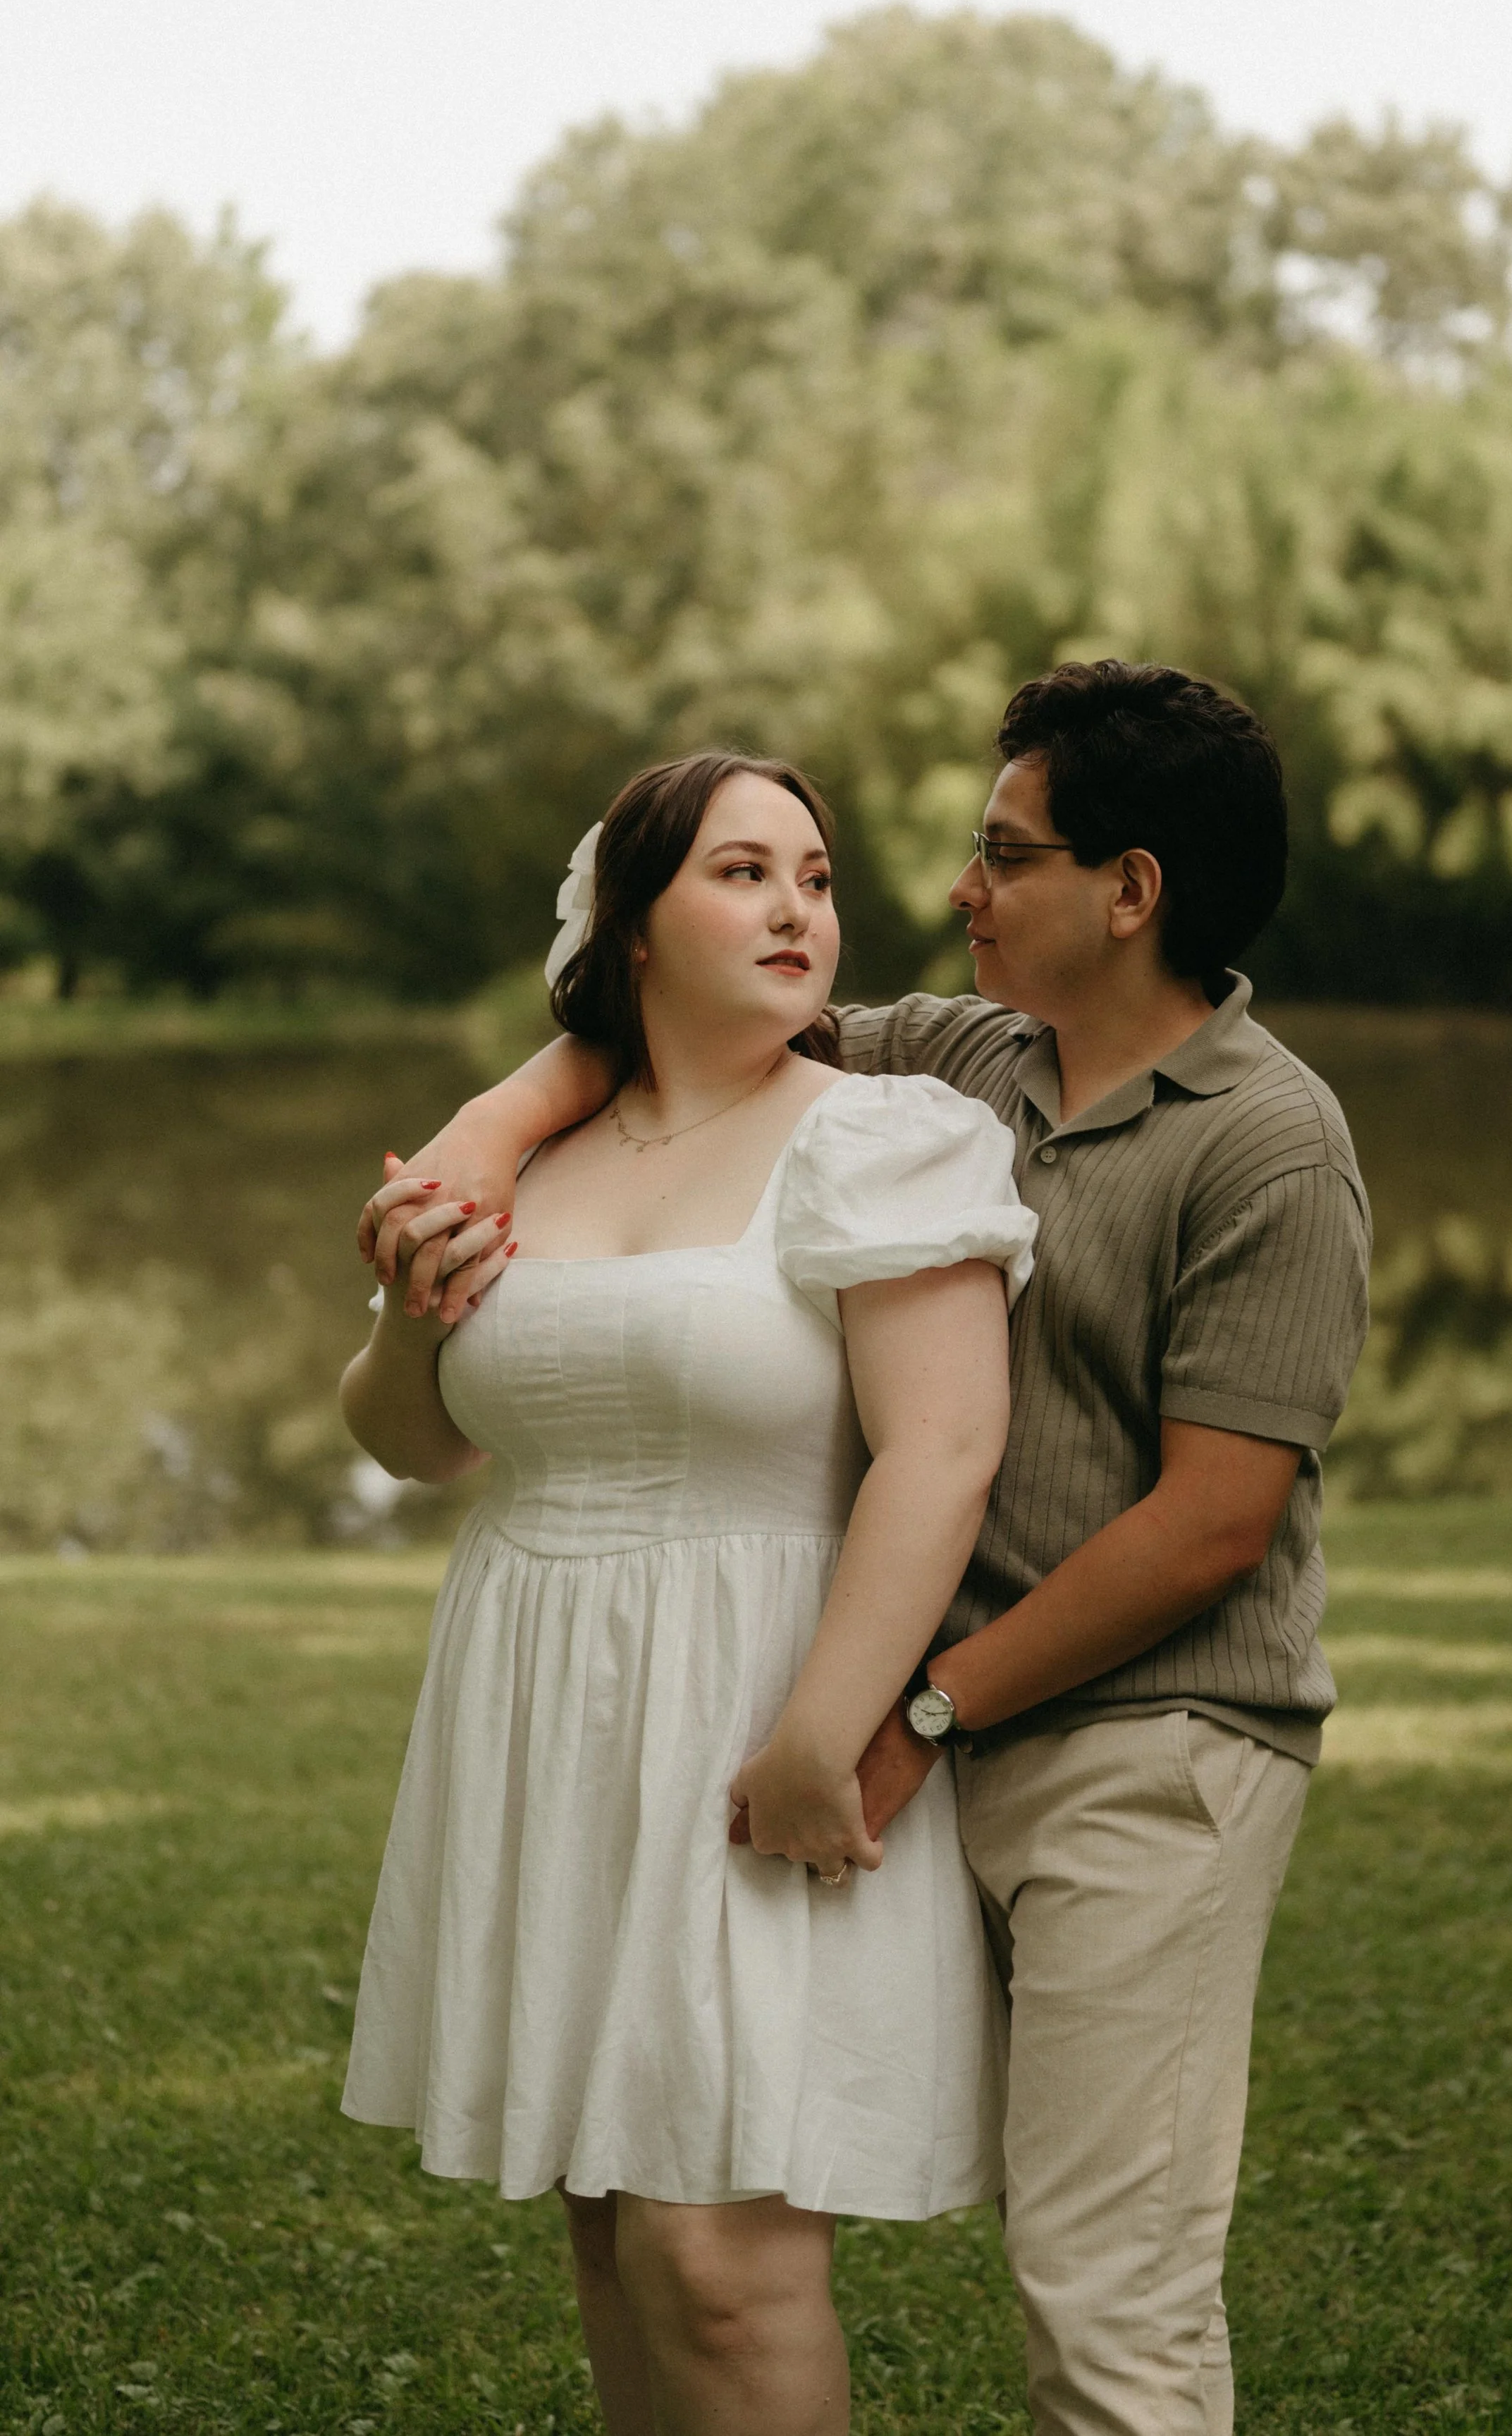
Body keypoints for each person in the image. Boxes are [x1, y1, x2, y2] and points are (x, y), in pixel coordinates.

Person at [369, 663, 1371, 2436]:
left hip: (1135, 1736)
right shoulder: (964, 1055)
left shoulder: (1269, 1143)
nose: (953, 890)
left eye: (1003, 853)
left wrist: (904, 1717)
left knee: (1099, 2279)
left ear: (1127, 891)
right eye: (766, 873)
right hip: (922, 1700)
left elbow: (1211, 1521)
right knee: (640, 2216)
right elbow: (650, 1022)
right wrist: (474, 1152)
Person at [339, 749, 1036, 2436]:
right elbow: (414, 1447)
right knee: (612, 2218)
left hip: (755, 1701)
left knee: (718, 2251)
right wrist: (408, 1317)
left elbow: (939, 1454)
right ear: (634, 929)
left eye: (811, 874)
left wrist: (822, 1731)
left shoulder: (881, 1136)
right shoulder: (537, 1161)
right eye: (741, 872)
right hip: (544, 1701)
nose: (797, 906)